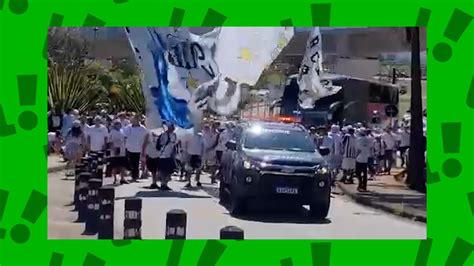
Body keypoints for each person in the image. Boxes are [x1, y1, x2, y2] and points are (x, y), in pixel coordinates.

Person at [124, 114, 148, 182]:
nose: (135, 121)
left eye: (137, 120)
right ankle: (132, 173)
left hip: (138, 148)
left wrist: (144, 145)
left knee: (136, 162)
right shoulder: (128, 127)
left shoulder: (142, 128)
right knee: (130, 162)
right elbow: (125, 135)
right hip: (129, 147)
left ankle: (135, 176)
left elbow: (146, 136)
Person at [156, 122, 177, 190]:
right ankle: (163, 183)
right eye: (172, 127)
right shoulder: (163, 135)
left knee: (170, 171)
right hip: (163, 155)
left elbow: (174, 145)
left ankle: (165, 183)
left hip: (170, 155)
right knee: (163, 170)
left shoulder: (174, 135)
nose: (173, 128)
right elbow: (161, 144)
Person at [108, 120, 129, 185]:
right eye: (117, 124)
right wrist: (113, 149)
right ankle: (115, 179)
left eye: (119, 124)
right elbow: (110, 142)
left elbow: (125, 139)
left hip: (122, 150)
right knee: (115, 166)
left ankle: (122, 178)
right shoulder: (112, 132)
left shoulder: (122, 131)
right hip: (115, 151)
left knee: (123, 165)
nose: (118, 125)